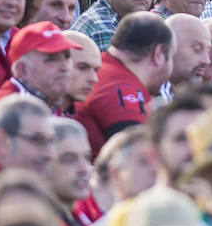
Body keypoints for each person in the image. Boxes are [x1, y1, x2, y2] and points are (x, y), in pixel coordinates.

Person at [74, 12, 175, 154]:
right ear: (158, 54)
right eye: (171, 57)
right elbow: (138, 158)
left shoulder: (105, 69)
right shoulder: (123, 88)